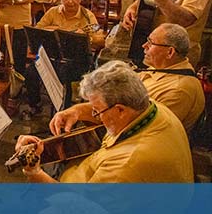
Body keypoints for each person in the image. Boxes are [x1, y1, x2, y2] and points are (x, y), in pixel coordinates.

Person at [17, 61, 194, 182]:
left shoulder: (127, 164)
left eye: (96, 111)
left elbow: (74, 205)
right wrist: (77, 110)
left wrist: (34, 172)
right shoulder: (148, 106)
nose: (94, 114)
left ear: (120, 110)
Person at [139, 23, 205, 131]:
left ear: (170, 52)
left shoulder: (179, 90)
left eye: (151, 43)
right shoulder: (160, 67)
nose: (144, 46)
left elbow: (150, 129)